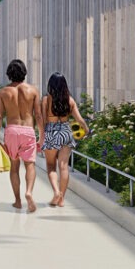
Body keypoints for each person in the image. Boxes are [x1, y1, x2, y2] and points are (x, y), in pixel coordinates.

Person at [0, 59, 43, 212]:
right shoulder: (33, 90)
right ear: (24, 73)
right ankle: (29, 192)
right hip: (28, 130)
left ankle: (17, 201)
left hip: (12, 131)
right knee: (30, 164)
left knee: (14, 167)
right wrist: (41, 135)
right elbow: (39, 115)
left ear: (9, 74)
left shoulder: (3, 92)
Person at [39, 72, 87, 209]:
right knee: (64, 167)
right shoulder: (70, 100)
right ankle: (62, 199)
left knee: (50, 166)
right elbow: (79, 120)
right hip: (66, 132)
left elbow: (42, 120)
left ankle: (56, 192)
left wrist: (42, 137)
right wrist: (86, 130)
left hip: (52, 132)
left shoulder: (46, 100)